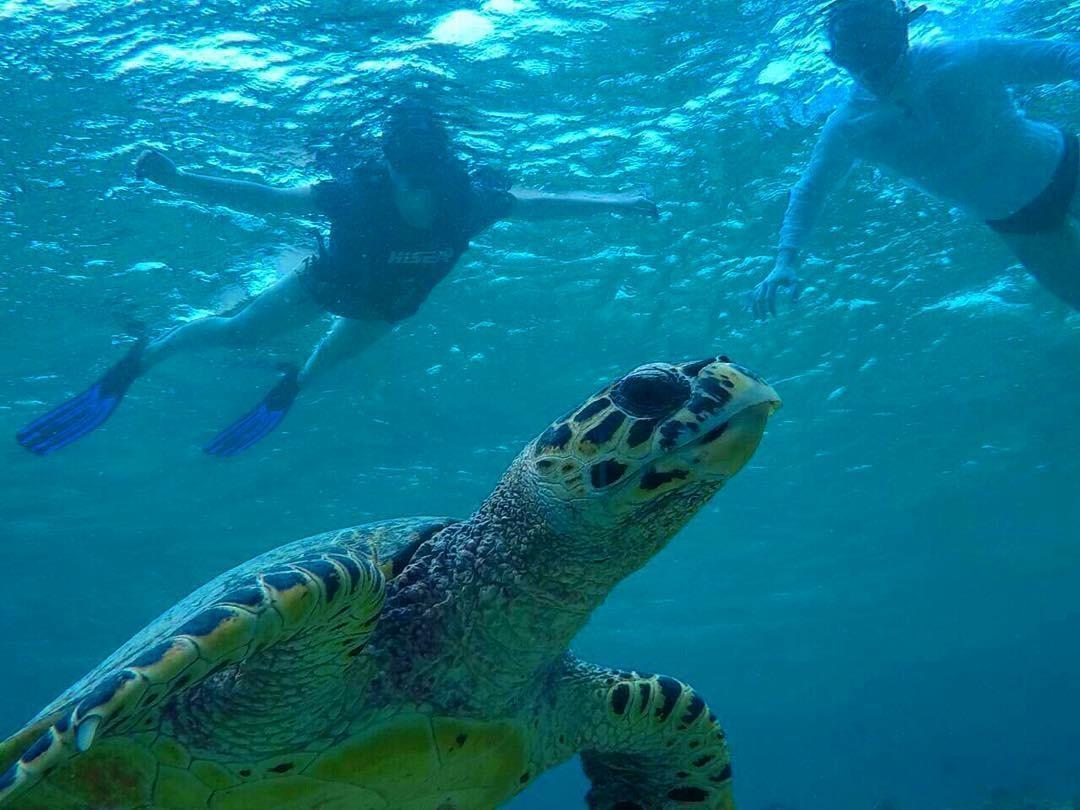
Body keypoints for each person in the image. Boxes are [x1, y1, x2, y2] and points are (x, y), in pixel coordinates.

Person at [16, 101, 658, 457]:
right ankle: (140, 359)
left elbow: (543, 206)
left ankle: (289, 385)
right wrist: (180, 181)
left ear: (442, 170)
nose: (418, 195)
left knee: (322, 364)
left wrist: (618, 203)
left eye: (427, 181)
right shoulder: (353, 193)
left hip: (384, 308)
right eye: (408, 180)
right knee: (237, 330)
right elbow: (263, 197)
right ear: (390, 167)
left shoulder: (472, 198)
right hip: (323, 284)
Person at [751, 0, 1080, 319]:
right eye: (857, 54)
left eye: (880, 48)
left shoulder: (961, 58)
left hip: (1064, 171)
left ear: (904, 35)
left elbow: (1065, 55)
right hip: (1024, 220)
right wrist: (785, 260)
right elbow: (810, 191)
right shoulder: (850, 127)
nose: (872, 67)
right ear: (836, 58)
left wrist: (787, 259)